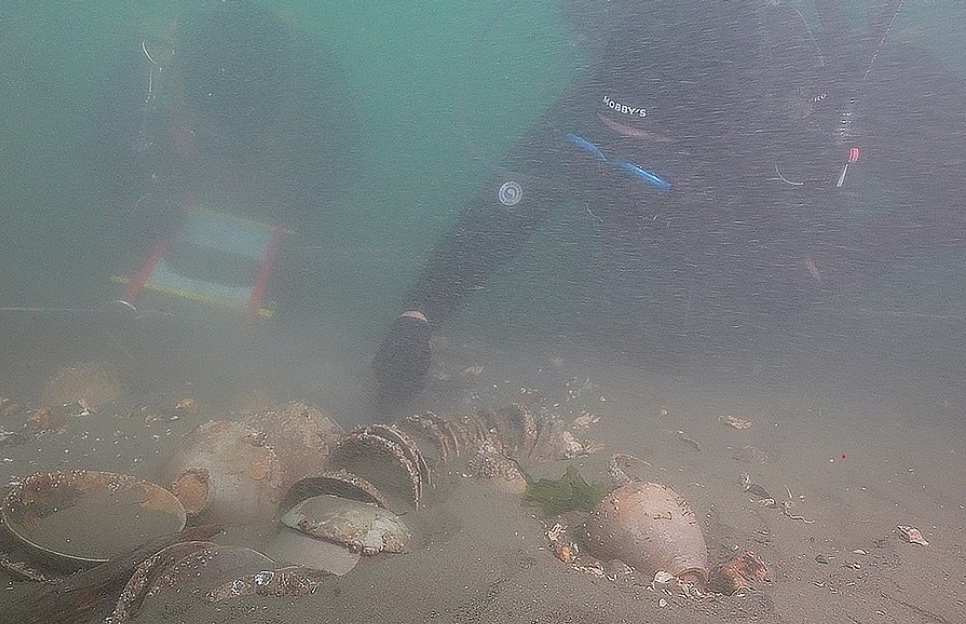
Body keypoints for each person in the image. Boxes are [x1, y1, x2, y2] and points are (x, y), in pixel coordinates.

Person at [373, 0, 966, 399]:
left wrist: (842, 260)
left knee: (785, 278)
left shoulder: (784, 125)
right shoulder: (594, 108)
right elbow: (499, 213)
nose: (619, 160)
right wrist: (418, 317)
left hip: (782, 201)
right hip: (706, 232)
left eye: (647, 149)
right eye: (610, 138)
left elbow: (946, 201)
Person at [90, 1, 357, 249]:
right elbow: (101, 146)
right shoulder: (150, 66)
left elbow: (334, 171)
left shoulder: (314, 84)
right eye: (202, 133)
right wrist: (136, 201)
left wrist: (300, 230)